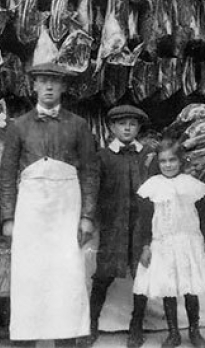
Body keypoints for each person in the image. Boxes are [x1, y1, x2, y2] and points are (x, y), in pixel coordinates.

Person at [0, 62, 99, 345]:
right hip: (31, 211)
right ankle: (25, 340)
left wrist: (87, 217)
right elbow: (6, 174)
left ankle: (65, 339)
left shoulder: (78, 126)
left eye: (54, 82)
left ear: (64, 87)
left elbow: (91, 172)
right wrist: (8, 218)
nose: (49, 87)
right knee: (29, 277)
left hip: (66, 210)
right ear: (34, 86)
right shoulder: (18, 126)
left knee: (66, 276)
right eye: (43, 81)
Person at [85, 105, 158, 348]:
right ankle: (91, 324)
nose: (127, 128)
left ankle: (136, 326)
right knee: (103, 274)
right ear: (112, 128)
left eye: (132, 124)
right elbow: (93, 188)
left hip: (141, 226)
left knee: (142, 275)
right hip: (113, 224)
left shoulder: (148, 155)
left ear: (138, 128)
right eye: (122, 124)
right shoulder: (103, 157)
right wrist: (91, 217)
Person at [133, 136, 205, 348]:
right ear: (158, 163)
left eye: (172, 160)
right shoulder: (152, 187)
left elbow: (203, 215)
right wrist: (146, 246)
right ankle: (173, 333)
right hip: (163, 243)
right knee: (169, 287)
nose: (168, 165)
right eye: (163, 162)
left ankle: (194, 330)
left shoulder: (192, 185)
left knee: (190, 287)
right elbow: (145, 221)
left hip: (188, 242)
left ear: (181, 160)